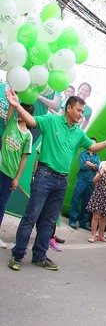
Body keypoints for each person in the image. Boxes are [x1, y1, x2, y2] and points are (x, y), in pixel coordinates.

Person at [6, 89, 106, 272]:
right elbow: (31, 121)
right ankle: (18, 254)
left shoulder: (78, 132)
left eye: (82, 112)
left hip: (61, 182)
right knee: (31, 216)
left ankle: (39, 255)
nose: (80, 115)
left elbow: (93, 146)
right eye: (78, 110)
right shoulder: (52, 120)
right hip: (44, 176)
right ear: (68, 108)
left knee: (49, 220)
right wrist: (16, 106)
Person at [0, 101, 34, 250]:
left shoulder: (28, 136)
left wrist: (17, 178)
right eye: (20, 110)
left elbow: (24, 159)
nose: (21, 113)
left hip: (10, 175)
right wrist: (14, 94)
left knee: (1, 204)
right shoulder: (10, 123)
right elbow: (12, 106)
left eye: (25, 111)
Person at [69, 139, 100, 230]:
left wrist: (89, 164)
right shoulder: (82, 154)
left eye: (94, 143)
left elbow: (98, 167)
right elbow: (82, 166)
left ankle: (83, 222)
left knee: (86, 203)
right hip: (81, 181)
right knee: (76, 200)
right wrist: (93, 166)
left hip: (91, 182)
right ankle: (73, 220)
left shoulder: (96, 156)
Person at [86, 158, 106, 243]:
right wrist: (100, 174)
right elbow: (94, 181)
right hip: (98, 195)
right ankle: (93, 235)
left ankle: (101, 236)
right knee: (95, 216)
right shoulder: (102, 170)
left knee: (104, 218)